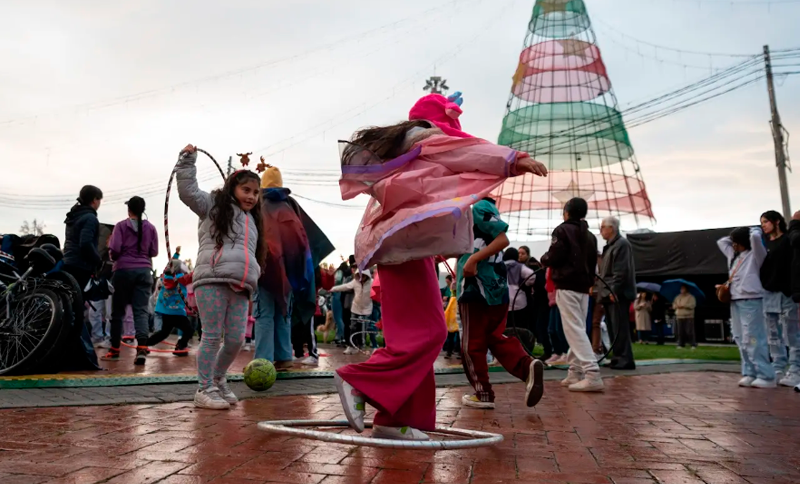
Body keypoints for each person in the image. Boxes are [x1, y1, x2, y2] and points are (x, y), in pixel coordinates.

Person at [333, 94, 547, 440]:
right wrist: (514, 159)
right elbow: (467, 150)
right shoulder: (427, 138)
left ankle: (397, 421)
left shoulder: (407, 149)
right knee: (429, 333)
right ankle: (360, 381)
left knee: (420, 335)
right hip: (405, 248)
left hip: (404, 247)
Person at [176, 144, 265, 410]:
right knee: (212, 336)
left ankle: (217, 378)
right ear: (233, 188)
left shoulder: (254, 220)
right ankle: (204, 388)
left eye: (256, 192)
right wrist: (187, 160)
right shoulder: (214, 205)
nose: (251, 196)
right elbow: (188, 192)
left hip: (240, 285)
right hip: (212, 280)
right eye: (246, 190)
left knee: (237, 339)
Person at [456, 197, 545, 409]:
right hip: (496, 289)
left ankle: (483, 393)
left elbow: (502, 239)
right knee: (494, 338)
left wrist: (472, 260)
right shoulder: (482, 209)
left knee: (471, 345)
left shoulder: (479, 206)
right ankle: (527, 366)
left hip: (476, 288)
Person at [541, 198, 603, 392]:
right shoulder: (591, 236)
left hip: (567, 285)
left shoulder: (562, 230)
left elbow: (555, 255)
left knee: (573, 329)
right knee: (578, 328)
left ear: (567, 211)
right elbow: (594, 262)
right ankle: (575, 372)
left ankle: (592, 373)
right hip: (584, 286)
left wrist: (544, 259)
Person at [101, 196, 158, 365]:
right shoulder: (151, 228)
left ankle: (115, 350)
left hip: (123, 271)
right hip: (144, 272)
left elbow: (115, 249)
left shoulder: (120, 226)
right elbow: (154, 251)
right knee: (140, 311)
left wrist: (114, 255)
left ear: (129, 209)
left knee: (117, 312)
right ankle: (141, 349)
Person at [718, 227, 775, 388]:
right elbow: (721, 242)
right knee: (739, 337)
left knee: (753, 337)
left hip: (752, 300)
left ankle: (766, 374)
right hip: (736, 300)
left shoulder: (756, 255)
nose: (733, 245)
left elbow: (756, 239)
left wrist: (752, 231)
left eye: (736, 242)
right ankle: (749, 372)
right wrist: (734, 237)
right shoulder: (734, 257)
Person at [759, 210, 799, 387]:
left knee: (791, 334)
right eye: (761, 223)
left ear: (776, 222)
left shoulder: (788, 240)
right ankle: (777, 367)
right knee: (773, 334)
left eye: (766, 222)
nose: (763, 225)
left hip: (785, 292)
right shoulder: (765, 243)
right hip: (769, 292)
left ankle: (796, 369)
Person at [597, 216, 637, 370]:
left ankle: (625, 359)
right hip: (609, 292)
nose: (601, 231)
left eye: (602, 227)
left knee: (619, 327)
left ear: (611, 228)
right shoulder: (611, 245)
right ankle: (617, 357)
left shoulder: (621, 245)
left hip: (616, 293)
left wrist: (615, 291)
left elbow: (620, 271)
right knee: (613, 328)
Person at [62, 185, 103, 293]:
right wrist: (97, 260)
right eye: (99, 200)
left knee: (69, 300)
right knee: (78, 301)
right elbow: (85, 243)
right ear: (94, 200)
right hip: (81, 266)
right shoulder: (90, 218)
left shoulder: (73, 216)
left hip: (68, 262)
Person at [148, 259, 194, 356]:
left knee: (164, 332)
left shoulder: (164, 277)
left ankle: (145, 344)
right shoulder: (181, 278)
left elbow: (170, 264)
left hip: (166, 310)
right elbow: (193, 276)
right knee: (189, 330)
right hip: (177, 311)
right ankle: (180, 346)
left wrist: (176, 255)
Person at [330, 268, 374, 355]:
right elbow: (345, 286)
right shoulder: (355, 282)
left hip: (366, 309)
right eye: (359, 275)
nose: (361, 277)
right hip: (355, 308)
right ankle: (351, 346)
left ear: (367, 276)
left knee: (362, 329)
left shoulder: (372, 283)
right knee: (353, 328)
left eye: (363, 276)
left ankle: (361, 346)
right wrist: (331, 289)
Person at [519, 246, 552, 360]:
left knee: (541, 325)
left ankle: (549, 350)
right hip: (538, 300)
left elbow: (537, 283)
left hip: (541, 300)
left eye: (522, 253)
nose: (520, 255)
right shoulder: (533, 266)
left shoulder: (532, 266)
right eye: (519, 253)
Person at [504, 247, 536, 335]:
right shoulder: (519, 266)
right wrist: (525, 284)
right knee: (520, 327)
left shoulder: (500, 266)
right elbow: (531, 275)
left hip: (504, 300)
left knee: (506, 327)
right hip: (519, 300)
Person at [545, 268, 569, 365]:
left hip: (561, 298)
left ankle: (566, 352)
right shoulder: (550, 268)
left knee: (559, 328)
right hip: (552, 300)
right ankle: (557, 351)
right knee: (551, 329)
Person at [443, 281, 460, 358]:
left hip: (454, 312)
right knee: (453, 335)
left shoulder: (454, 297)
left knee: (455, 335)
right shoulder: (455, 284)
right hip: (453, 313)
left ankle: (454, 352)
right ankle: (451, 352)